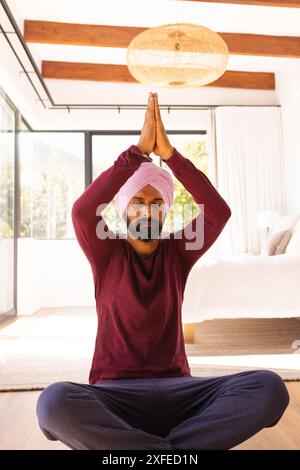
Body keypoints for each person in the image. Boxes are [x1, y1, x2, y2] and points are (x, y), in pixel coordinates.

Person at [36, 92, 289, 450]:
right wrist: (137, 153)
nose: (147, 211)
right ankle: (177, 454)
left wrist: (171, 156)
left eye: (157, 203)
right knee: (53, 402)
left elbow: (218, 212)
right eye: (138, 202)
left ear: (167, 211)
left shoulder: (179, 250)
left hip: (179, 391)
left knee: (268, 387)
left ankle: (148, 454)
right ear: (124, 209)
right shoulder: (106, 251)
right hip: (115, 393)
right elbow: (82, 212)